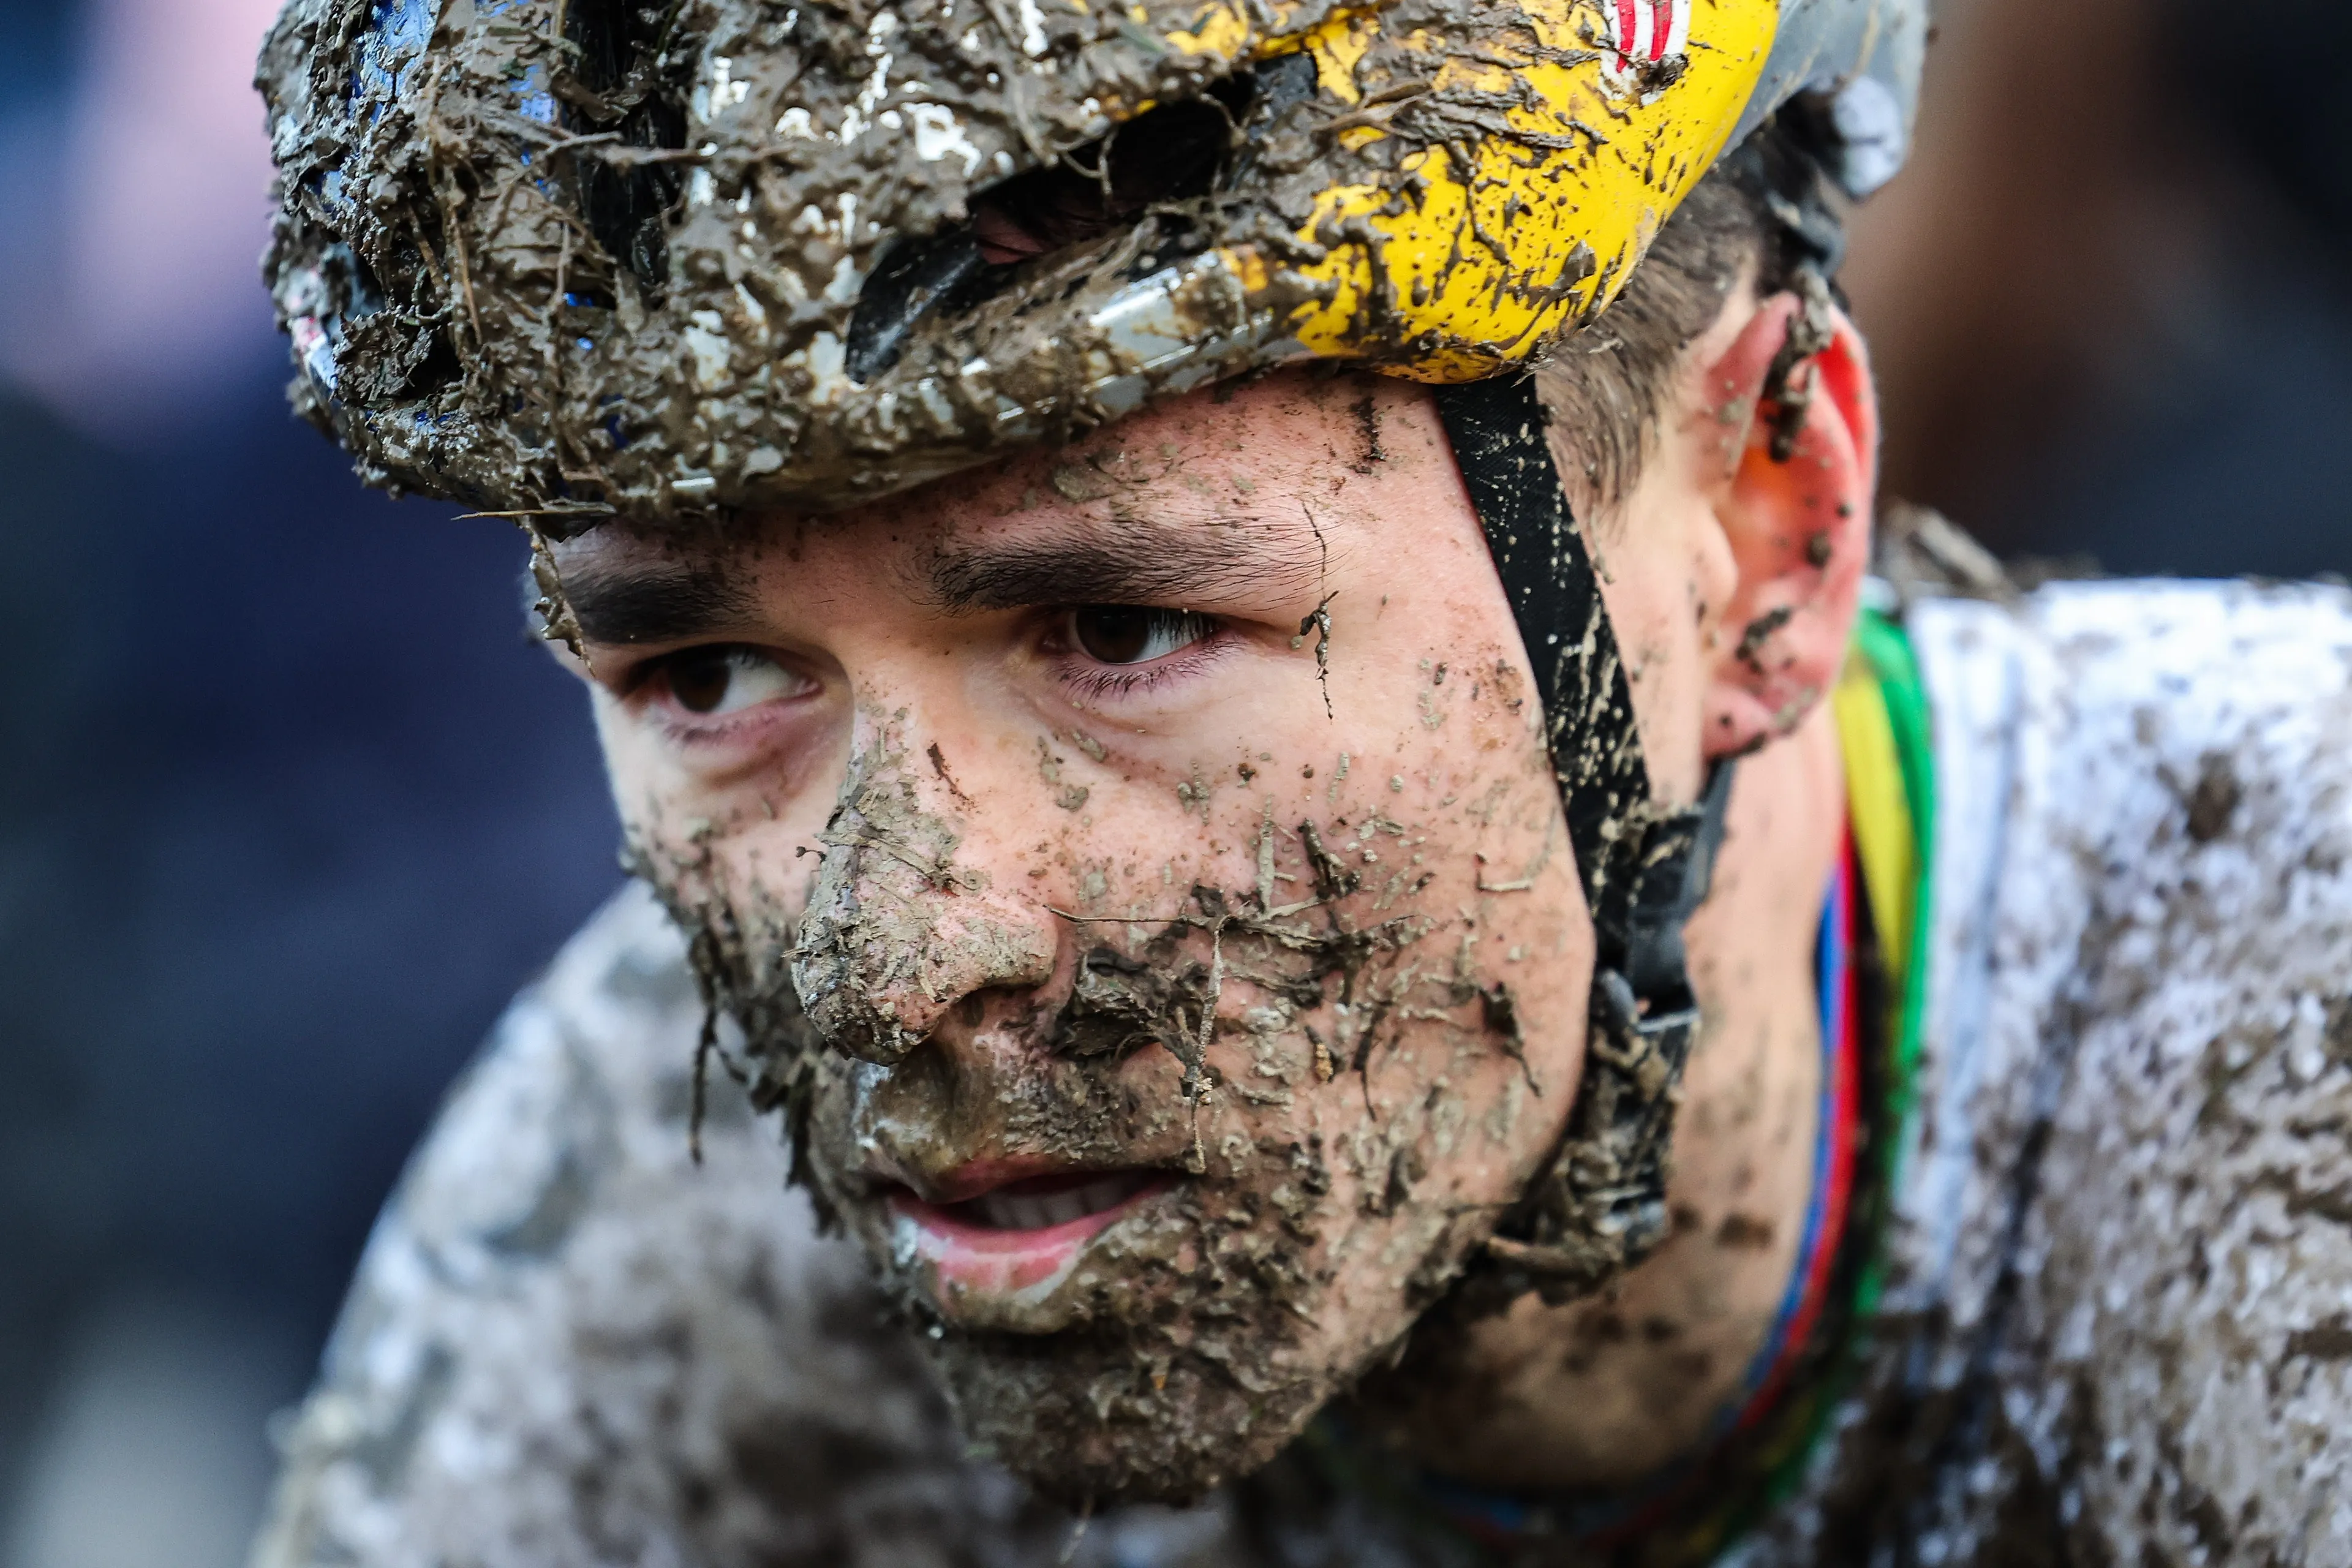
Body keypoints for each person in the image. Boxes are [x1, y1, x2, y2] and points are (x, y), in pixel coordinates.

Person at [246, 0, 2352, 1563]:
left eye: (1126, 635)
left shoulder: (2288, 1089)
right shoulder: (657, 1296)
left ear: (1769, 523)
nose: (896, 962)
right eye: (707, 671)